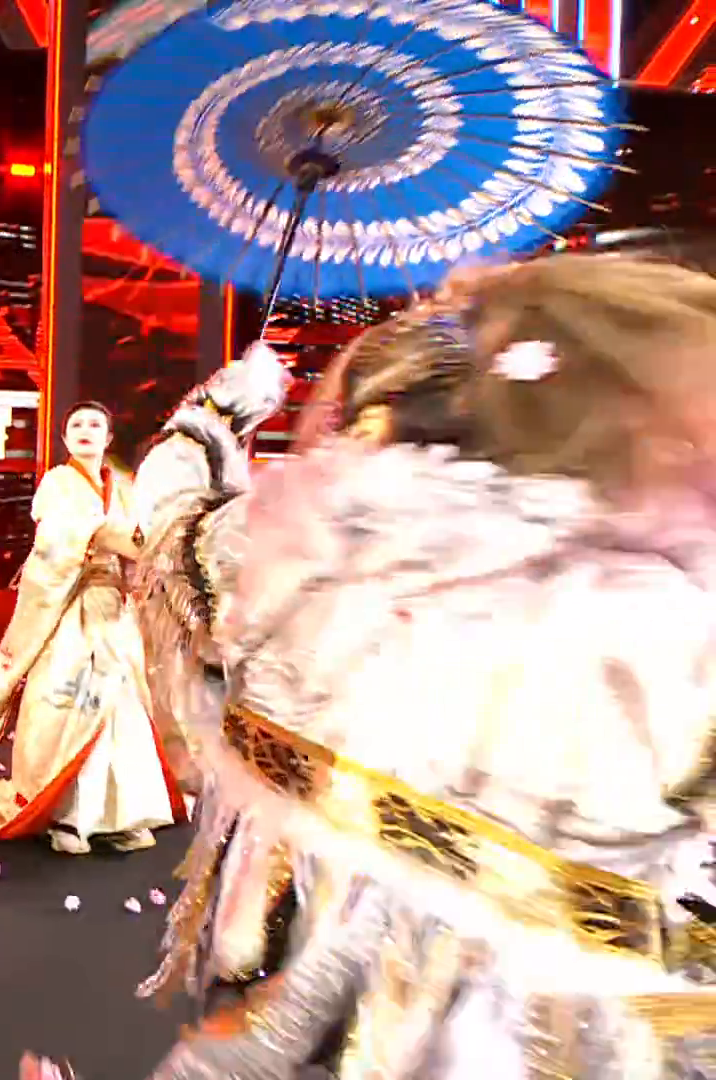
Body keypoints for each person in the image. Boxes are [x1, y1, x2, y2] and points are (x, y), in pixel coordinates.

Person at [108, 253, 716, 1078]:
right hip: (609, 1027)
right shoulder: (682, 596)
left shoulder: (334, 551)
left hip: (355, 979)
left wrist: (213, 414)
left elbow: (175, 529)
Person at [0, 402, 185, 854]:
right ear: (65, 438)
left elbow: (144, 540)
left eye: (95, 424)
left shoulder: (125, 488)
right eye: (76, 424)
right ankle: (67, 817)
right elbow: (61, 540)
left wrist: (142, 550)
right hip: (71, 607)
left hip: (113, 611)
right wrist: (116, 537)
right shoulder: (56, 484)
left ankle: (118, 816)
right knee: (65, 706)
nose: (85, 430)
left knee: (121, 708)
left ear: (108, 438)